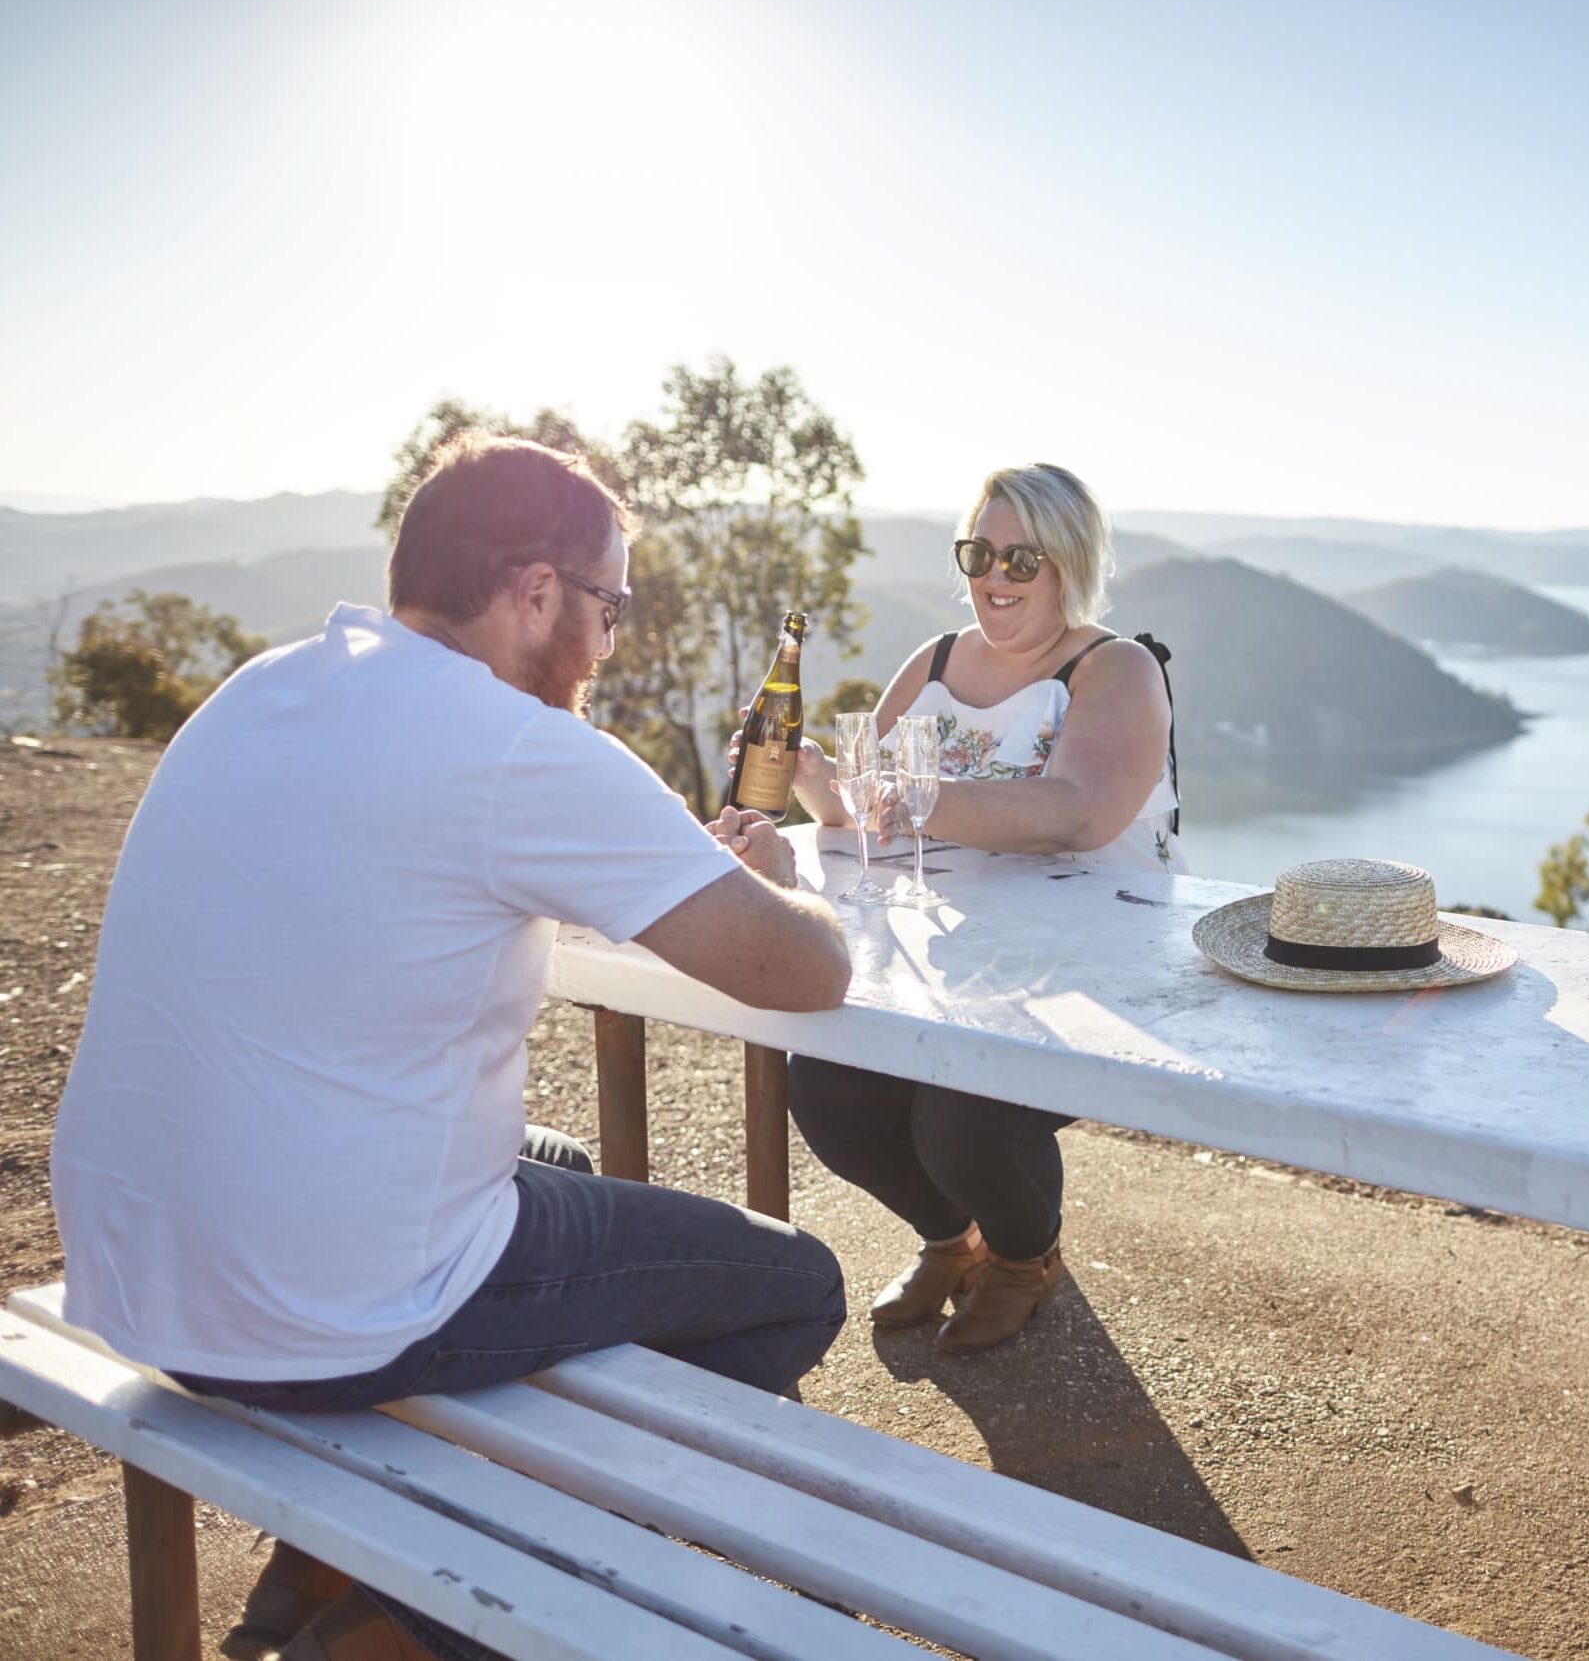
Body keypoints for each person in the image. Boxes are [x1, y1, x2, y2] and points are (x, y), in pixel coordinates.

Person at [49, 435, 856, 1661]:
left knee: (567, 1162)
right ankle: (423, 1619)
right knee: (795, 1285)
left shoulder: (264, 685)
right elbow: (809, 972)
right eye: (608, 606)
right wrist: (794, 878)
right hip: (320, 1311)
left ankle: (324, 1566)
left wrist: (649, 861)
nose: (608, 640)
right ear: (536, 592)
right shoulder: (519, 747)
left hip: (137, 1266)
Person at [777, 464, 1179, 1354]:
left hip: (1085, 959)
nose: (993, 576)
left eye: (1020, 558)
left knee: (961, 1112)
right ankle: (951, 1240)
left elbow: (1079, 811)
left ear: (1067, 562)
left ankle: (1024, 1258)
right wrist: (814, 777)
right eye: (978, 552)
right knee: (826, 1082)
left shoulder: (1114, 669)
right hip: (950, 948)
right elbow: (860, 806)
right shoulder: (935, 660)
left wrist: (912, 791)